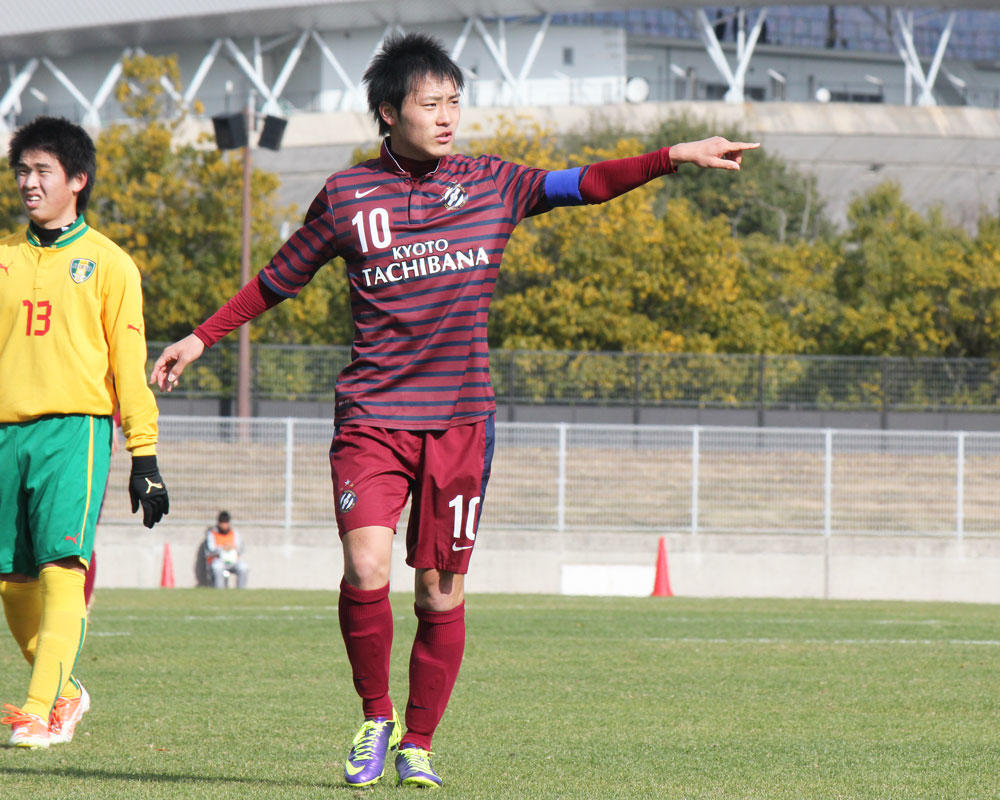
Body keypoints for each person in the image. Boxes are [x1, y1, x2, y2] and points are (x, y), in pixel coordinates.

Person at [151, 32, 758, 788]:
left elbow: (588, 183)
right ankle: (376, 716)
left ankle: (419, 741)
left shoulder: (493, 183)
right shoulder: (347, 197)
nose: (446, 117)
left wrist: (672, 156)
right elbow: (280, 277)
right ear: (386, 113)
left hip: (463, 423)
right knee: (366, 565)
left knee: (440, 590)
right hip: (372, 417)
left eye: (454, 102)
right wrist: (201, 337)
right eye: (430, 104)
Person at [0, 116, 169, 749]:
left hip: (78, 430)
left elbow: (129, 366)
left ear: (78, 180)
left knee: (62, 567)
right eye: (22, 171)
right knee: (11, 583)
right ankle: (68, 694)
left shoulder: (110, 264)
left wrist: (144, 455)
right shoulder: (5, 260)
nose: (28, 182)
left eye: (42, 171)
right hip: (6, 434)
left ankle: (40, 711)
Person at [204, 511, 249, 588]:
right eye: (222, 523)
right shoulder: (212, 534)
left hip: (233, 560)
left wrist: (233, 547)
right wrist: (223, 548)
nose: (224, 525)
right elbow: (211, 549)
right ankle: (220, 591)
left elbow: (241, 548)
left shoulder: (234, 533)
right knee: (217, 567)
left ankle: (241, 591)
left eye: (226, 523)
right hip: (218, 560)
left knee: (243, 567)